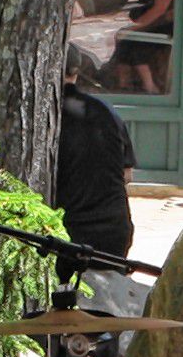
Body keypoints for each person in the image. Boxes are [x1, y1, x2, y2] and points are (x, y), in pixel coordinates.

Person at [54, 46, 139, 276]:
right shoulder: (106, 111)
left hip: (68, 233)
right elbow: (127, 175)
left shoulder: (46, 115)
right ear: (76, 72)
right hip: (115, 230)